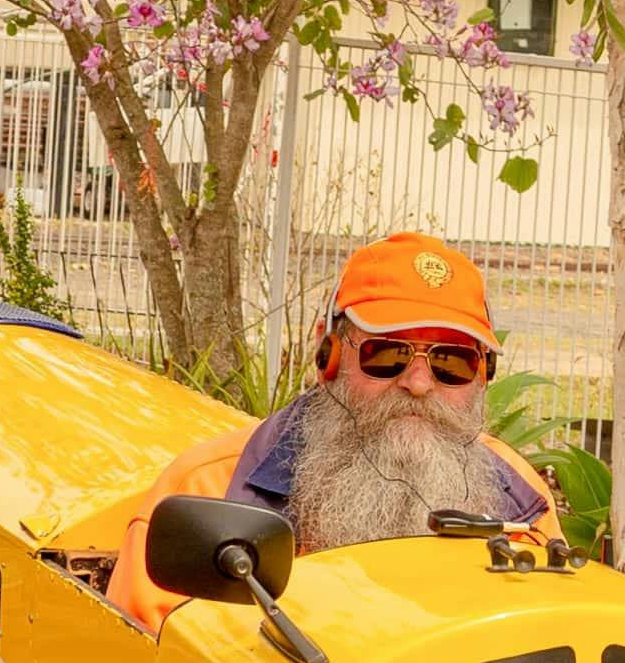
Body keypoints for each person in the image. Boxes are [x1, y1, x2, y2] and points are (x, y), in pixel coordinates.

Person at [113, 231, 555, 625]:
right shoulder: (205, 491)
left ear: (484, 373)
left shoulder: (519, 501)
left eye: (451, 362)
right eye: (386, 354)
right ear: (329, 352)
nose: (419, 384)